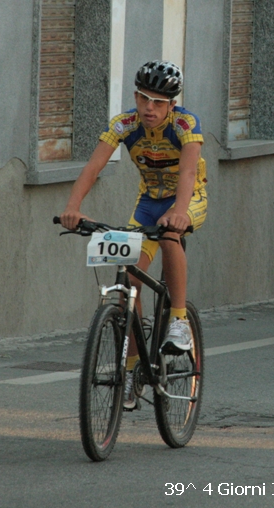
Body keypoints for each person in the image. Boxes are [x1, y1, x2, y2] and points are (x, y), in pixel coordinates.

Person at [60, 60, 206, 407]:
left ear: (172, 105)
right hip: (148, 203)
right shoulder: (124, 124)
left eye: (158, 102)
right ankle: (132, 369)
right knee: (130, 282)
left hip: (188, 199)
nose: (149, 108)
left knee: (169, 236)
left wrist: (179, 212)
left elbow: (188, 173)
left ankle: (179, 320)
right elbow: (94, 166)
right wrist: (73, 207)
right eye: (143, 99)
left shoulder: (186, 124)